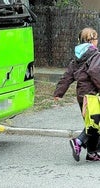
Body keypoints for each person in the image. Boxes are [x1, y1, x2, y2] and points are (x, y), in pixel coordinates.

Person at [54, 27, 100, 162]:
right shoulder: (95, 54)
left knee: (92, 123)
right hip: (92, 95)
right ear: (91, 40)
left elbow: (67, 76)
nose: (97, 41)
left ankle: (92, 153)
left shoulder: (77, 58)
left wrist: (59, 92)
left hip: (82, 96)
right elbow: (96, 73)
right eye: (96, 38)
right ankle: (78, 142)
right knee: (94, 124)